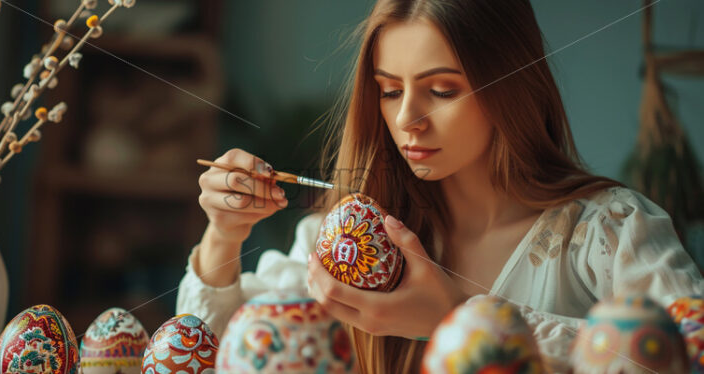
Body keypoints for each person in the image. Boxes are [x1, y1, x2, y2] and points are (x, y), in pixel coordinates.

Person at [176, 0, 704, 372]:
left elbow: (686, 357)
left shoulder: (607, 233)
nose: (407, 118)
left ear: (512, 84)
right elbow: (202, 351)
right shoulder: (349, 242)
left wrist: (457, 316)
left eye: (442, 90)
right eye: (388, 91)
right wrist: (224, 235)